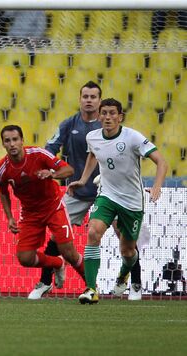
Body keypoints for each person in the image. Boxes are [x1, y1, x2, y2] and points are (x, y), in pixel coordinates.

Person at [69, 98, 168, 304]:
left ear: (120, 116)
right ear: (99, 116)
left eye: (112, 113)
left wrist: (157, 186)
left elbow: (161, 161)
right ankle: (90, 289)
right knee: (93, 232)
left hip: (132, 200)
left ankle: (124, 274)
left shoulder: (133, 137)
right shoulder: (93, 137)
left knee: (128, 250)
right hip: (107, 194)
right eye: (104, 113)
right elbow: (93, 155)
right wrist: (83, 180)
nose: (108, 117)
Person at [27, 81, 103, 299]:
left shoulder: (106, 126)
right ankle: (45, 281)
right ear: (79, 99)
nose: (89, 100)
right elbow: (49, 150)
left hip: (105, 192)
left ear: (99, 100)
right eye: (85, 96)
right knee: (56, 237)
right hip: (75, 192)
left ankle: (132, 281)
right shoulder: (69, 124)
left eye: (93, 97)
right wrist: (46, 169)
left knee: (121, 236)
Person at [0, 125, 85, 296]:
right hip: (30, 214)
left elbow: (68, 170)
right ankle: (57, 263)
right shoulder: (2, 169)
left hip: (53, 207)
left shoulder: (39, 154)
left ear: (22, 141)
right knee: (25, 258)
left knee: (70, 253)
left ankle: (92, 287)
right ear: (3, 144)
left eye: (15, 139)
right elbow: (3, 192)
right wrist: (9, 218)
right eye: (8, 141)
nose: (12, 144)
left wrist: (52, 174)